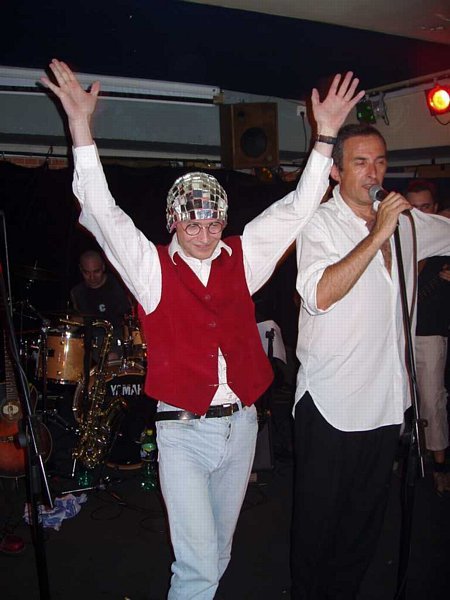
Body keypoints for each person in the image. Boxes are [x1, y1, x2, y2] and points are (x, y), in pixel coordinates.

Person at [41, 58, 364, 600]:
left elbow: (297, 208)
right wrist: (79, 125)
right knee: (196, 568)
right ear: (173, 220)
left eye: (212, 220)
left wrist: (326, 136)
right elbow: (101, 207)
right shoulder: (151, 269)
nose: (203, 231)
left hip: (242, 428)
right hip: (183, 433)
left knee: (219, 555)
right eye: (192, 221)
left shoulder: (243, 257)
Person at [291, 123, 450, 599]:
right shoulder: (318, 223)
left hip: (385, 403)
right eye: (360, 162)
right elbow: (319, 294)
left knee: (364, 525)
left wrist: (393, 223)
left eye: (380, 161)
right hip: (331, 406)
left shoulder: (405, 222)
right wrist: (378, 233)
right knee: (319, 528)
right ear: (336, 171)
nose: (373, 172)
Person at [405, 179, 450, 495]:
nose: (420, 214)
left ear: (434, 208)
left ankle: (440, 465)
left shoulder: (444, 241)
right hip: (393, 335)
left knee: (432, 400)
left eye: (425, 207)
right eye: (413, 208)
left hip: (429, 333)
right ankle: (399, 455)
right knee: (397, 400)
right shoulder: (395, 238)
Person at [70, 249, 132, 359]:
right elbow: (78, 320)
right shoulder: (77, 292)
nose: (92, 277)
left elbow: (130, 318)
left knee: (111, 356)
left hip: (118, 338)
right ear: (80, 269)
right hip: (91, 342)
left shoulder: (119, 285)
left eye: (96, 271)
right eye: (87, 273)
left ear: (103, 267)